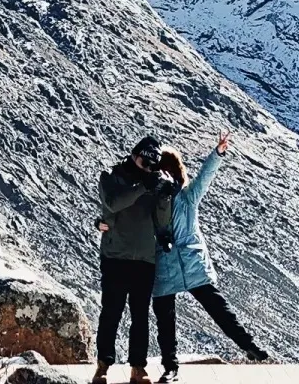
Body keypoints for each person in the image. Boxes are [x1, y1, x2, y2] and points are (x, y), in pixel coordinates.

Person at [152, 131, 270, 378]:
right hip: (178, 264)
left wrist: (217, 153)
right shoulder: (162, 199)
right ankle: (172, 366)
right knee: (196, 313)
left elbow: (205, 177)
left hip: (179, 264)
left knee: (202, 312)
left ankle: (247, 346)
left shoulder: (183, 197)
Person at [94, 135, 178, 384]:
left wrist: (164, 197)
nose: (147, 168)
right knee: (111, 312)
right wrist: (143, 186)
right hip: (115, 256)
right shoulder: (111, 176)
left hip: (144, 258)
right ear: (134, 155)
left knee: (140, 316)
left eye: (152, 165)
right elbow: (113, 203)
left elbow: (162, 222)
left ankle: (138, 368)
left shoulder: (153, 181)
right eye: (144, 162)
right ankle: (103, 366)